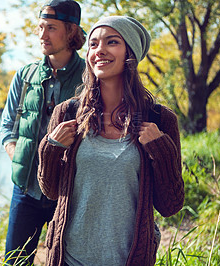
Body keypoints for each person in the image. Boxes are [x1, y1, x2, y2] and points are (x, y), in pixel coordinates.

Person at [38, 16, 185, 266]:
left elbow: (170, 205)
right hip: (68, 259)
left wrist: (160, 149)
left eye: (112, 42)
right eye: (93, 44)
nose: (100, 51)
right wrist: (51, 147)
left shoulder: (160, 119)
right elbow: (51, 191)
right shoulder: (67, 113)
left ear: (131, 53)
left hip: (129, 259)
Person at [0, 0, 86, 264]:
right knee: (15, 261)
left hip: (69, 193)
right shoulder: (25, 75)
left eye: (51, 27)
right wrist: (19, 157)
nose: (42, 35)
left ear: (71, 32)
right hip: (25, 191)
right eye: (40, 27)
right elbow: (7, 129)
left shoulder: (90, 77)